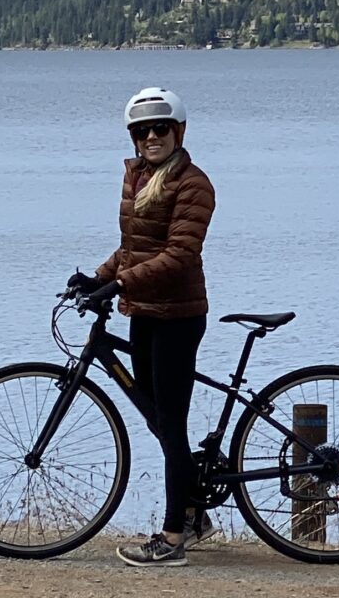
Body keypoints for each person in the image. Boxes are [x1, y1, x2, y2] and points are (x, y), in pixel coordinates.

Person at [68, 87, 217, 567]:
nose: (151, 136)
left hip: (178, 316)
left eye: (161, 128)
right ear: (132, 137)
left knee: (170, 425)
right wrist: (98, 277)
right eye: (141, 130)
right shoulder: (138, 177)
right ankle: (195, 511)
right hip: (145, 313)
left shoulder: (193, 184)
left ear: (179, 132)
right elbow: (133, 247)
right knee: (158, 420)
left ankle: (174, 539)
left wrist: (119, 284)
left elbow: (179, 254)